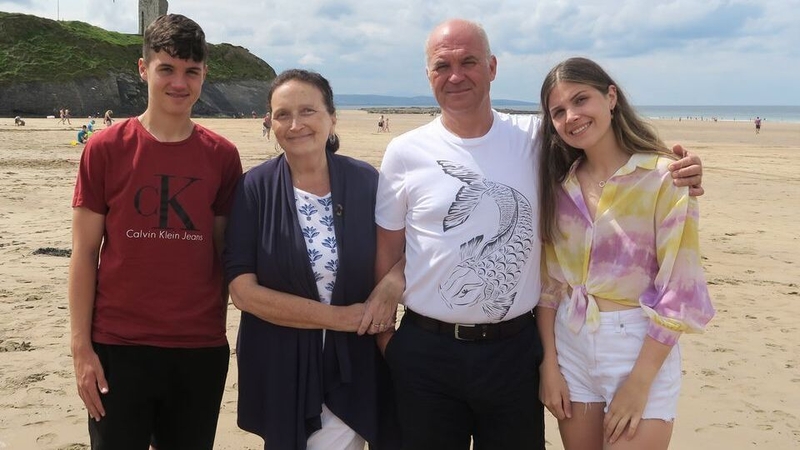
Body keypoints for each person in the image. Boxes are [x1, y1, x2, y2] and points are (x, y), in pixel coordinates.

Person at [369, 19, 705, 450]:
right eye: (442, 65)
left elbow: (600, 141)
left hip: (514, 351)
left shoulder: (536, 136)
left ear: (492, 67)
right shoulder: (404, 151)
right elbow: (390, 249)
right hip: (427, 351)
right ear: (428, 75)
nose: (456, 75)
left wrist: (681, 168)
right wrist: (389, 342)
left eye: (469, 61)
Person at [68, 14, 242, 450]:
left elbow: (225, 254)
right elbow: (84, 253)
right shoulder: (105, 148)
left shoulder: (222, 156)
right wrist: (80, 350)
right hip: (117, 346)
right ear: (143, 69)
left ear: (204, 75)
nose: (179, 83)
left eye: (192, 72)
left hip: (199, 349)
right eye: (166, 68)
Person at [535, 57, 715, 450]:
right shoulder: (558, 186)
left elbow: (679, 293)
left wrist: (638, 384)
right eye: (559, 111)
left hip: (639, 345)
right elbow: (549, 286)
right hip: (572, 342)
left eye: (581, 100)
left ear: (611, 97)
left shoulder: (664, 178)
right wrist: (549, 363)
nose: (572, 116)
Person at [223, 69, 401, 450]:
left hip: (355, 361)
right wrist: (339, 318)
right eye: (282, 114)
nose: (295, 124)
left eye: (308, 111)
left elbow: (414, 248)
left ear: (331, 117)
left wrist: (392, 282)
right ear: (270, 122)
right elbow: (242, 290)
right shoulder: (255, 188)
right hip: (282, 363)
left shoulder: (367, 182)